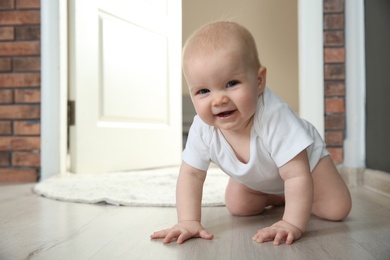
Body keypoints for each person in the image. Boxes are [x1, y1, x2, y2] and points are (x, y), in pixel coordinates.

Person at [150, 21, 352, 245]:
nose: (219, 99)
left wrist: (291, 223)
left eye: (231, 83)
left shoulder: (276, 117)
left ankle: (294, 196)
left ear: (259, 81)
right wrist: (188, 221)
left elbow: (296, 175)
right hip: (260, 176)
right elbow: (191, 175)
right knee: (238, 206)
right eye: (203, 91)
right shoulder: (203, 127)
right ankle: (280, 196)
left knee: (336, 209)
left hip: (307, 167)